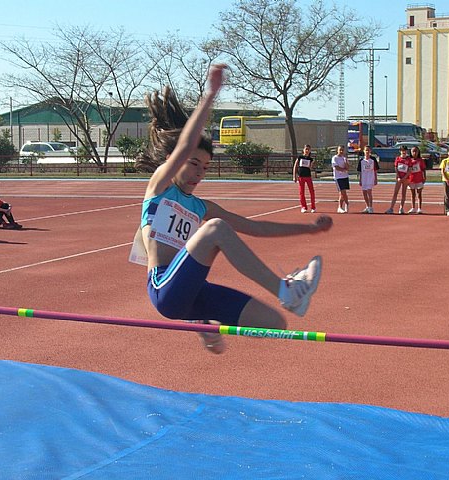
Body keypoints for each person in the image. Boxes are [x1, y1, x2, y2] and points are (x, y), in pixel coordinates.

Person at [130, 64, 332, 354]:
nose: (198, 173)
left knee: (274, 322)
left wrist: (309, 229)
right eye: (193, 164)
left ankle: (203, 323)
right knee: (215, 229)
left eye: (205, 168)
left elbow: (256, 227)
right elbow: (186, 146)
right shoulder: (159, 187)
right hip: (164, 288)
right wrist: (210, 95)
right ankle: (285, 291)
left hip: (192, 293)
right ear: (176, 161)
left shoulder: (200, 206)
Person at [385, 145, 412, 214]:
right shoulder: (398, 159)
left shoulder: (408, 159)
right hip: (399, 178)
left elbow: (409, 170)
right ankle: (391, 208)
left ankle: (401, 208)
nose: (404, 152)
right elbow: (396, 168)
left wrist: (405, 177)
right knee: (395, 193)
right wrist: (398, 177)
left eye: (405, 150)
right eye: (402, 150)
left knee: (403, 193)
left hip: (405, 178)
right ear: (400, 151)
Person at [293, 144, 316, 213]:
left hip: (308, 176)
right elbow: (295, 166)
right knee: (301, 192)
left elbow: (311, 168)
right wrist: (294, 176)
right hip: (301, 177)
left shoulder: (310, 159)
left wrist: (312, 165)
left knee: (312, 192)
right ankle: (303, 207)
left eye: (308, 149)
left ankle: (313, 207)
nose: (307, 150)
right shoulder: (300, 157)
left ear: (310, 151)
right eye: (306, 149)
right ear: (303, 150)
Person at [357, 145, 379, 213]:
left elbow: (375, 170)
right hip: (364, 178)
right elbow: (360, 171)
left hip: (370, 177)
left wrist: (375, 179)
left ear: (370, 151)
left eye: (368, 150)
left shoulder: (373, 160)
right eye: (366, 150)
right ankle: (367, 206)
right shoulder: (361, 160)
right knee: (364, 193)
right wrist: (360, 180)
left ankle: (370, 207)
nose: (367, 152)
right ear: (364, 151)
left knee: (369, 192)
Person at [407, 146, 426, 214]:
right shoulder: (409, 160)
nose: (414, 153)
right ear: (411, 152)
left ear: (418, 152)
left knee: (419, 194)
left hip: (419, 179)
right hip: (411, 179)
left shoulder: (420, 160)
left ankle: (419, 208)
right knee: (412, 194)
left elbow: (423, 169)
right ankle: (413, 207)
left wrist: (424, 178)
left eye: (416, 151)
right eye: (413, 151)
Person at [331, 145, 349, 213]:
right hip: (338, 177)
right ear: (337, 150)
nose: (341, 151)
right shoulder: (334, 158)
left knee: (343, 193)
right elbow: (336, 167)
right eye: (340, 150)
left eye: (342, 150)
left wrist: (346, 162)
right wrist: (343, 170)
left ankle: (342, 206)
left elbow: (348, 167)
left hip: (345, 177)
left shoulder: (344, 158)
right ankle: (345, 204)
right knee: (342, 192)